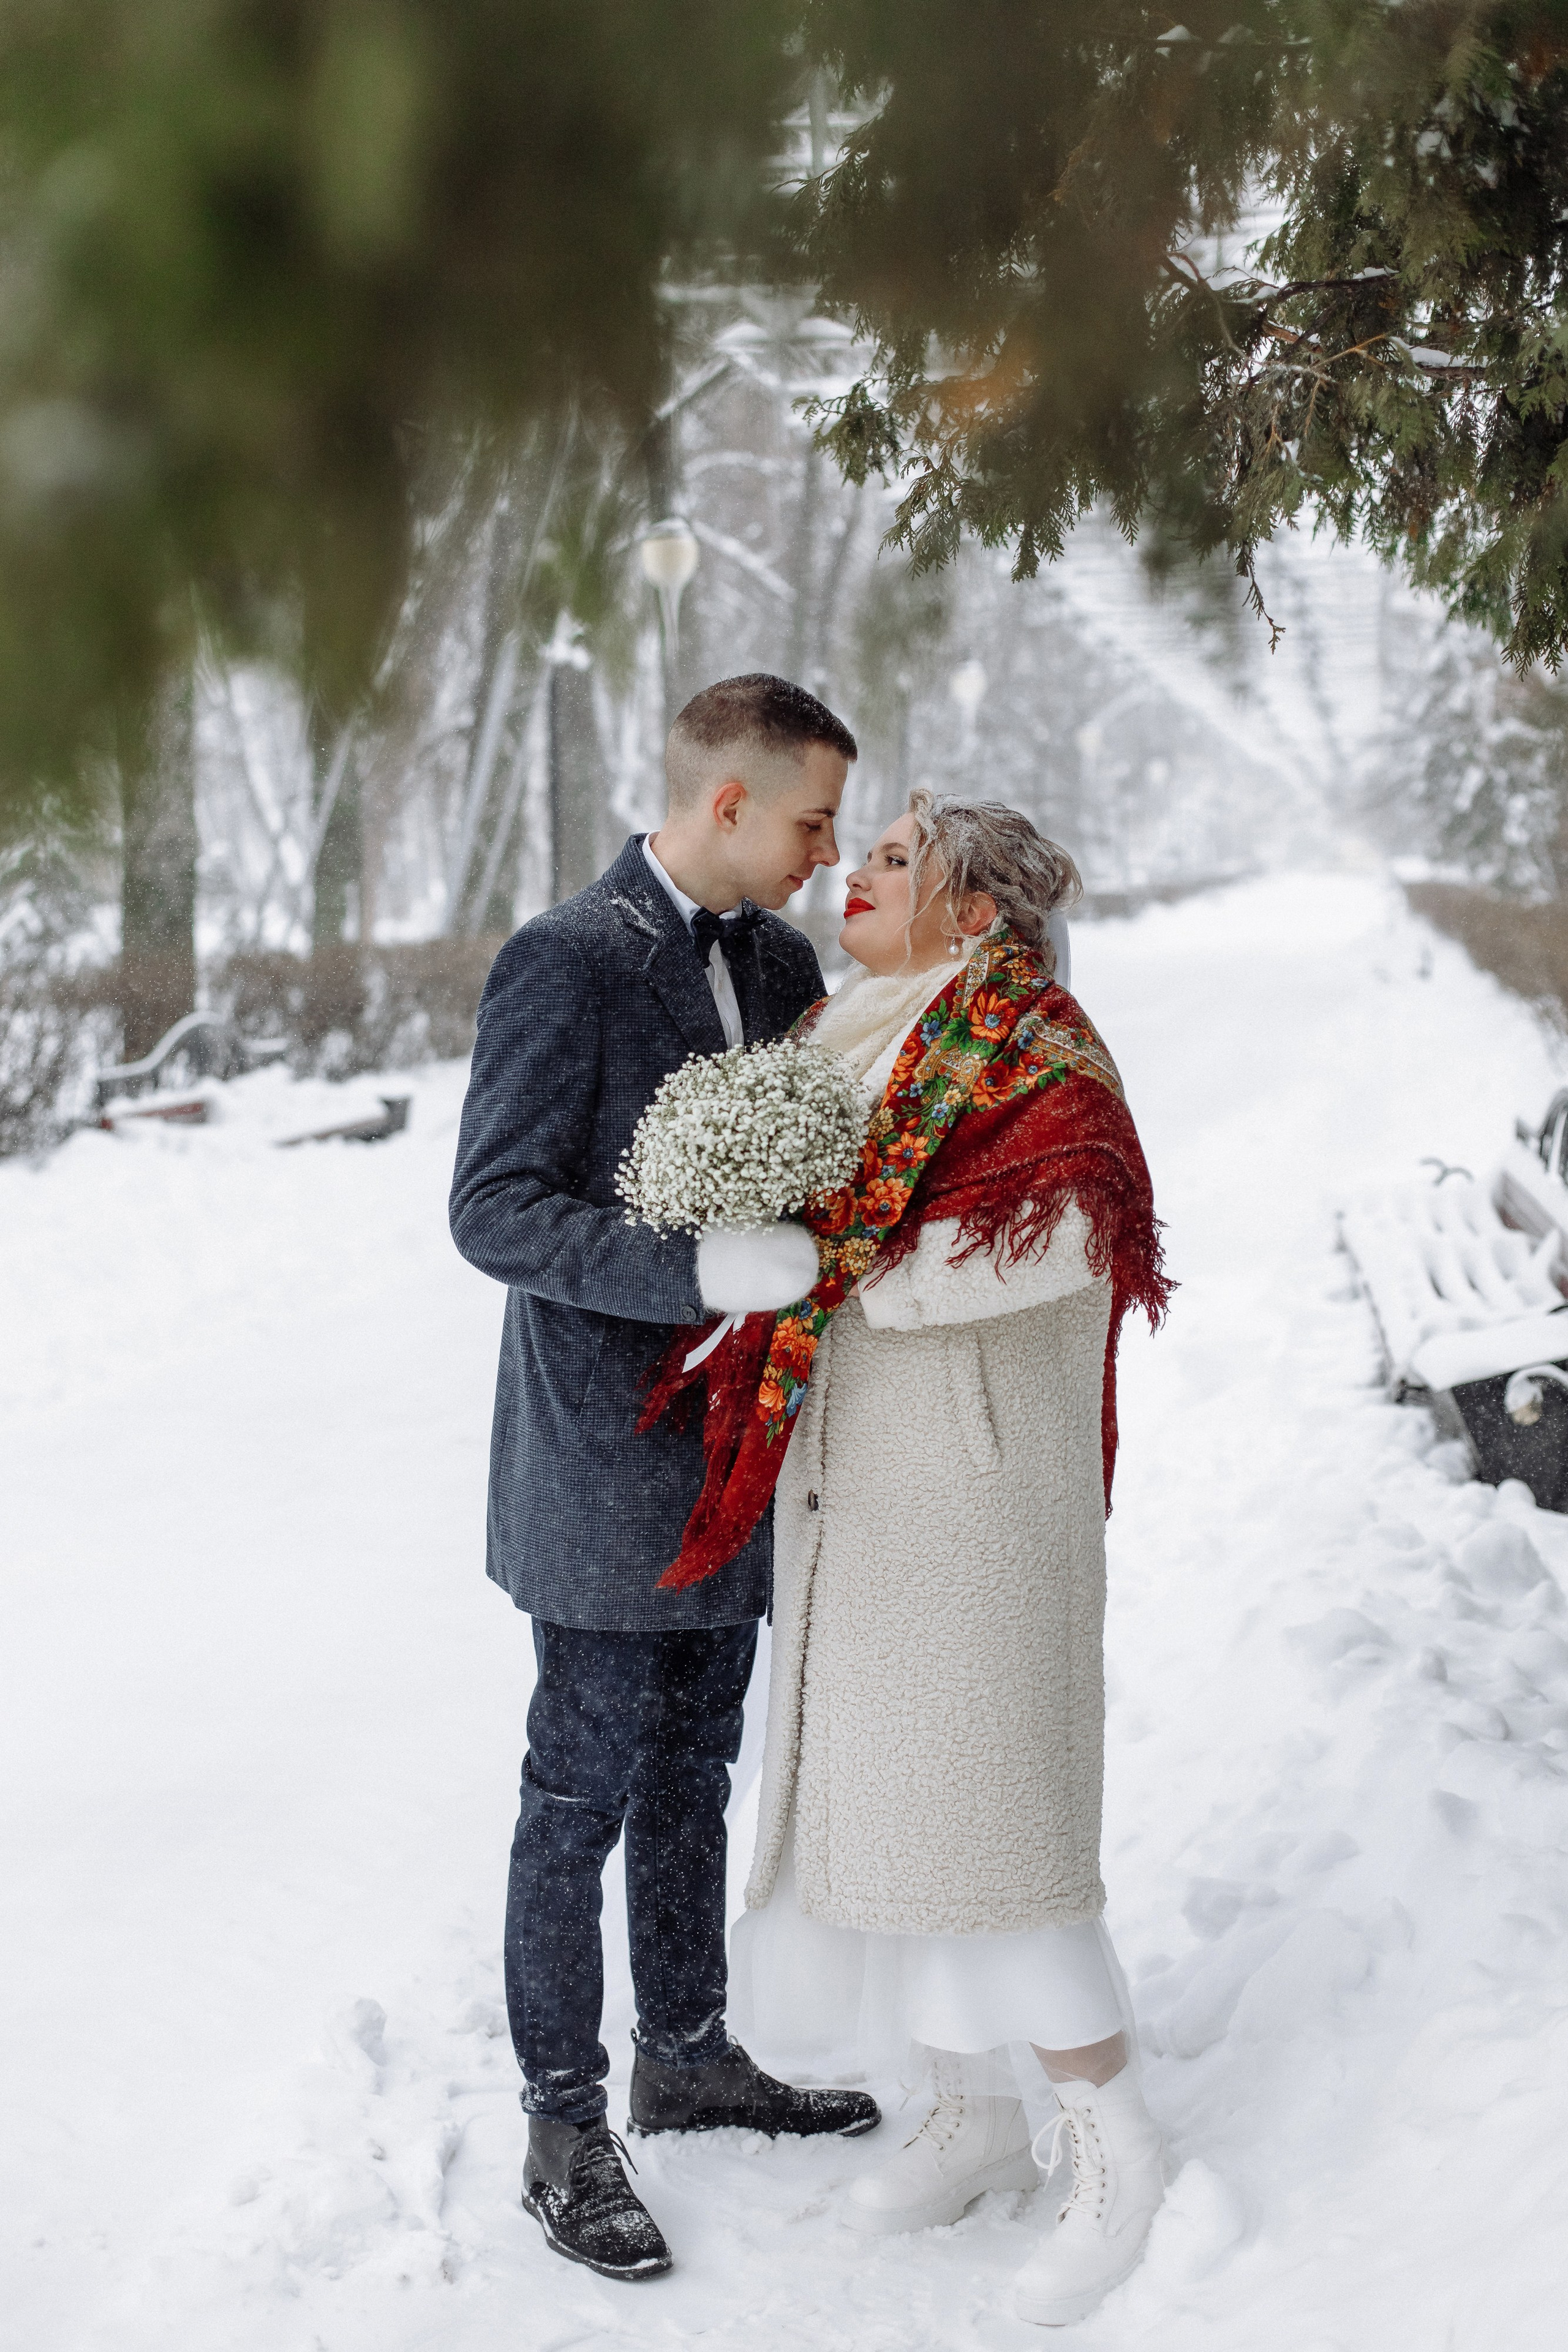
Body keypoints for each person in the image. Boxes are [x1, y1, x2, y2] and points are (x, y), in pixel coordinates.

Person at [448, 674, 881, 2286]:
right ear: (727, 805)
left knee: (700, 1762)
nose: (828, 854)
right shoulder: (561, 963)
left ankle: (687, 2050)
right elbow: (493, 1210)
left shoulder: (775, 963)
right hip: (607, 1466)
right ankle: (565, 2128)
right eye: (813, 819)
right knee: (581, 1789)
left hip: (750, 1450)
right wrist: (694, 1269)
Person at [721, 792, 1174, 2328]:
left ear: (976, 913)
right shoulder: (856, 1031)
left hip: (976, 1503)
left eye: (899, 859)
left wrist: (844, 1272)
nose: (858, 871)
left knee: (1001, 1830)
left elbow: (1066, 1238)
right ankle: (966, 2113)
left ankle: (1113, 2146)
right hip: (863, 1490)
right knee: (894, 1819)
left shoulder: (1037, 1048)